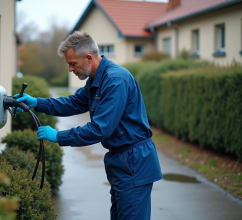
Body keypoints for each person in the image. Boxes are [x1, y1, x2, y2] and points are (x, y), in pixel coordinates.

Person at [14, 31, 162, 220]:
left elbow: (100, 129)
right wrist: (37, 102)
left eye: (72, 64)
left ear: (89, 58)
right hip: (121, 160)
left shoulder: (115, 81)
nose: (70, 69)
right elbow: (74, 103)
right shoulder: (97, 79)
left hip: (133, 161)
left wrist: (59, 136)